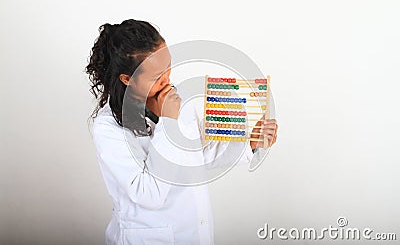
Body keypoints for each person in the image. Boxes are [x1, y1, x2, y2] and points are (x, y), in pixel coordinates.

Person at [85, 19, 278, 245]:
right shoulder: (108, 128)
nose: (167, 79)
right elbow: (148, 194)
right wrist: (168, 121)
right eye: (157, 77)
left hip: (194, 233)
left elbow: (194, 157)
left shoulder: (174, 99)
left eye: (168, 67)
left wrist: (249, 144)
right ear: (128, 79)